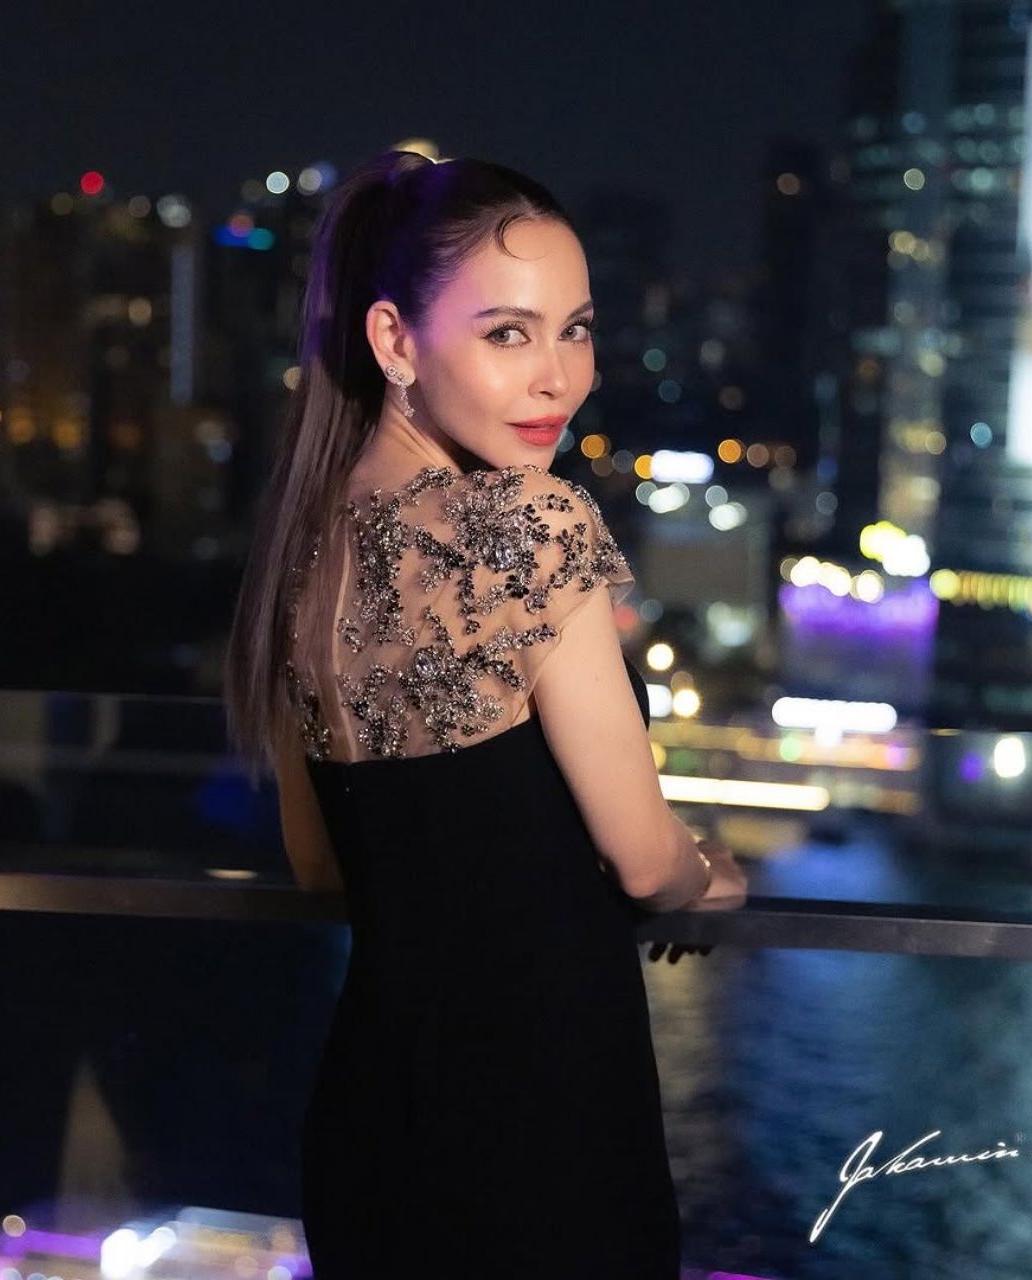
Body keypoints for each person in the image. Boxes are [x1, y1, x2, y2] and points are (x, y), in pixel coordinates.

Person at [223, 147, 748, 1279]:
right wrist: (707, 876)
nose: (559, 377)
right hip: (542, 1125)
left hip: (375, 1121)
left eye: (576, 329)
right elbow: (643, 857)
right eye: (508, 333)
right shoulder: (530, 524)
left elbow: (320, 865)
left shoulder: (302, 551)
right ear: (394, 341)